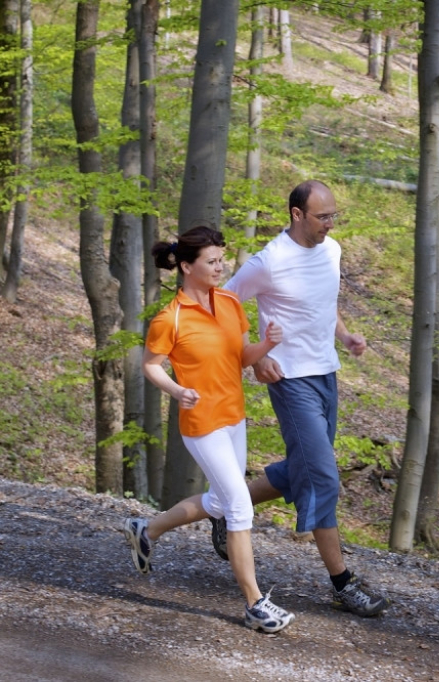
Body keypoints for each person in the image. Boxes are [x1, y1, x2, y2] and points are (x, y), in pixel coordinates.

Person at [216, 180, 388, 618]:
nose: (330, 224)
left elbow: (323, 301)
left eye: (334, 216)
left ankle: (229, 506)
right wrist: (252, 357)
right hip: (290, 378)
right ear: (297, 214)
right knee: (323, 477)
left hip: (326, 372)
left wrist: (345, 335)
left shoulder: (331, 251)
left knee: (303, 469)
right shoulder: (270, 261)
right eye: (322, 217)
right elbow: (225, 304)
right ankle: (342, 584)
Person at [122, 225, 295, 634]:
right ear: (185, 266)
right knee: (239, 507)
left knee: (220, 501)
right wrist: (176, 389)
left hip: (234, 416)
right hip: (201, 425)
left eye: (222, 259)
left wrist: (267, 346)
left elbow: (240, 357)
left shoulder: (232, 303)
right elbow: (150, 365)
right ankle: (255, 604)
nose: (221, 267)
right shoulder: (171, 318)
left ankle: (147, 528)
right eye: (212, 262)